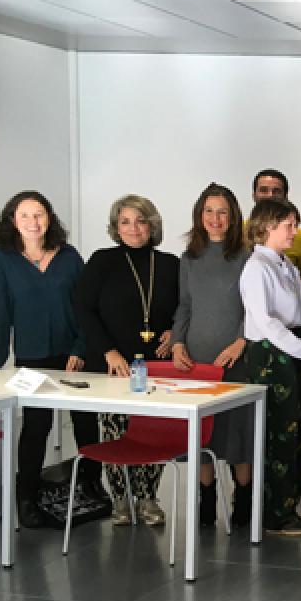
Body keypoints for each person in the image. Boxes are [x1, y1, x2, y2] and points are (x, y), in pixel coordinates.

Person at [0, 191, 101, 528]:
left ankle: (91, 487)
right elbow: (0, 313)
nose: (33, 222)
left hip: (75, 354)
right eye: (25, 215)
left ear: (50, 218)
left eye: (40, 214)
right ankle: (27, 497)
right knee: (37, 427)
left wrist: (80, 347)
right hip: (32, 356)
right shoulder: (1, 259)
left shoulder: (70, 256)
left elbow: (86, 307)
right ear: (12, 220)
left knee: (86, 422)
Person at [74, 194, 179, 527]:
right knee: (114, 431)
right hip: (113, 364)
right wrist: (108, 351)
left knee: (153, 431)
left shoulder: (170, 264)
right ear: (116, 228)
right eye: (125, 222)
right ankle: (120, 500)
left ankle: (148, 498)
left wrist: (176, 332)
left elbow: (185, 307)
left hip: (156, 364)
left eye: (141, 221)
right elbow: (83, 309)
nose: (134, 228)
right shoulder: (102, 261)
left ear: (152, 225)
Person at [240, 199, 301, 536]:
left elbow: (298, 311)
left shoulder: (285, 264)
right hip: (273, 353)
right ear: (267, 227)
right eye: (288, 225)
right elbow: (266, 323)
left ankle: (289, 505)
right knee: (281, 432)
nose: (295, 230)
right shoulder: (256, 268)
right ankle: (275, 514)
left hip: (292, 347)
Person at [170, 183, 254, 527]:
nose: (215, 218)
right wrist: (177, 342)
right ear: (199, 215)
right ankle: (206, 498)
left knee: (238, 432)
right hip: (196, 359)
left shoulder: (248, 255)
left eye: (222, 211)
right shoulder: (189, 258)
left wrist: (241, 341)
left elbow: (255, 308)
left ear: (233, 216)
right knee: (201, 432)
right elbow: (184, 306)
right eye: (209, 211)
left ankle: (245, 498)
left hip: (235, 358)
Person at [251, 168, 301, 283]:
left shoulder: (299, 236)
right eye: (263, 190)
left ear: (285, 196)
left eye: (276, 191)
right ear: (254, 195)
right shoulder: (240, 230)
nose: (270, 195)